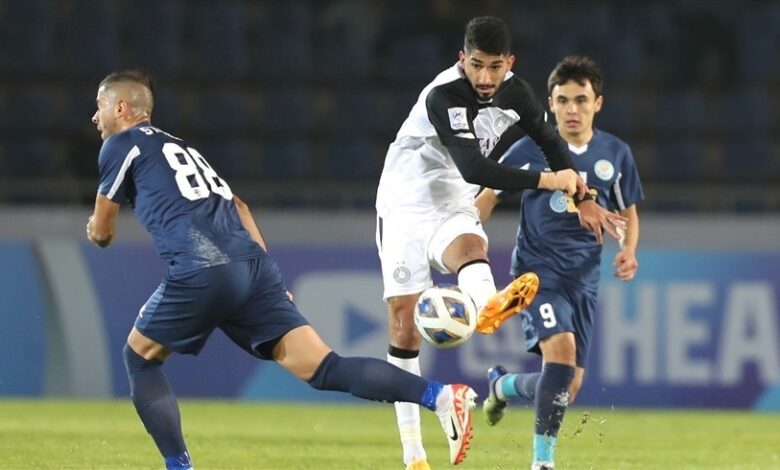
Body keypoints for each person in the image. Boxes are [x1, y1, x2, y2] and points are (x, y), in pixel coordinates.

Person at [86, 70, 478, 469]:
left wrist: (96, 228)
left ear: (121, 107)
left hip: (201, 266)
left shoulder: (120, 145)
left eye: (99, 107)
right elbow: (239, 206)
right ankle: (442, 397)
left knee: (140, 359)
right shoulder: (180, 147)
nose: (95, 118)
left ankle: (179, 466)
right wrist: (266, 276)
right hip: (254, 267)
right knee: (327, 368)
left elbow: (102, 233)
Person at [374, 16, 626, 470]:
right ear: (461, 60)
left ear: (509, 63)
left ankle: (488, 308)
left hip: (451, 196)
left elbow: (551, 141)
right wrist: (552, 181)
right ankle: (414, 452)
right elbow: (476, 168)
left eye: (494, 66)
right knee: (403, 325)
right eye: (476, 66)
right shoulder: (444, 95)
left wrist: (584, 197)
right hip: (405, 200)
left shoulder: (517, 93)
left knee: (472, 249)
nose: (485, 78)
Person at [475, 55, 644, 470]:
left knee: (570, 383)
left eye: (581, 100)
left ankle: (502, 385)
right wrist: (467, 249)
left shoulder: (615, 154)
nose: (572, 109)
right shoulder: (530, 148)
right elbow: (486, 198)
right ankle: (542, 463)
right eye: (563, 100)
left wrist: (629, 250)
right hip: (536, 275)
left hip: (584, 280)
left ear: (597, 103)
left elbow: (630, 213)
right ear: (550, 104)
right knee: (562, 357)